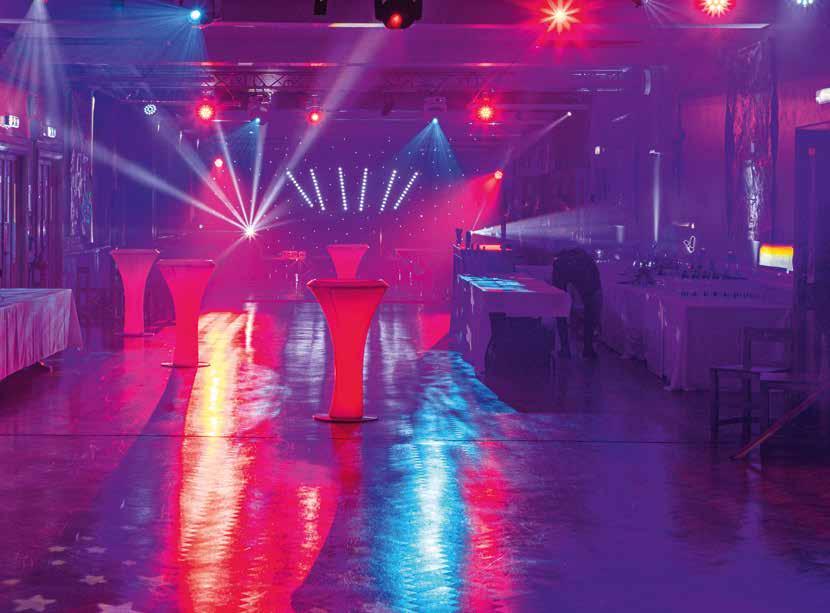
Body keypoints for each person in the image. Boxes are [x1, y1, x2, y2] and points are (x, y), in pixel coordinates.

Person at [551, 247, 602, 359]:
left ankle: (565, 350)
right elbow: (595, 288)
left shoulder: (560, 262)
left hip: (568, 266)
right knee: (590, 311)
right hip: (588, 275)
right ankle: (588, 349)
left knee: (560, 309)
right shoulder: (586, 260)